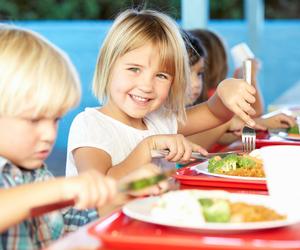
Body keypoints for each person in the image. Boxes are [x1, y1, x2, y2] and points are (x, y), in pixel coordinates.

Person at [66, 9, 258, 180]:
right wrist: (148, 147)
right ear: (107, 68)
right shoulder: (90, 125)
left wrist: (224, 92)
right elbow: (100, 187)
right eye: (134, 69)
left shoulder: (160, 119)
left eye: (161, 75)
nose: (147, 85)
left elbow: (215, 113)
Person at [0, 24, 119, 249]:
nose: (49, 134)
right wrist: (62, 188)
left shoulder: (35, 172)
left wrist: (118, 197)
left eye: (55, 119)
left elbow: (61, 228)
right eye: (34, 120)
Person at [187, 29, 296, 149]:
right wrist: (250, 76)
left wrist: (260, 123)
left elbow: (220, 134)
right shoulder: (212, 99)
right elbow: (193, 141)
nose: (196, 83)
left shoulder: (201, 105)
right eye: (186, 73)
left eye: (199, 74)